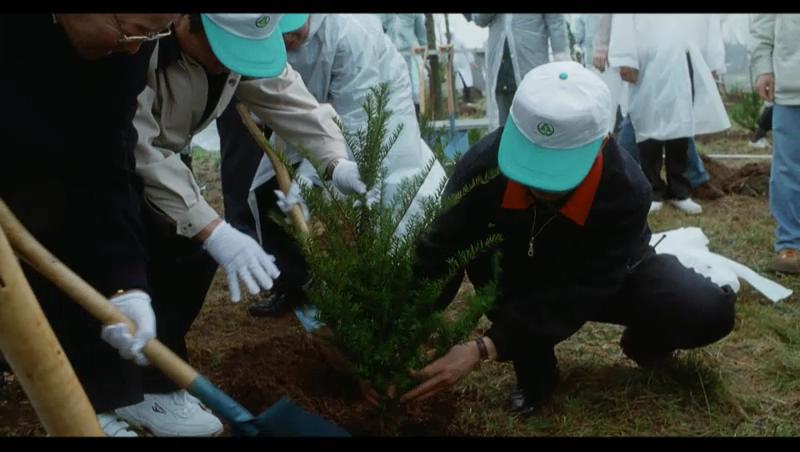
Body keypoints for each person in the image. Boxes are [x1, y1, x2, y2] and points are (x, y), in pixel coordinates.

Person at [401, 62, 736, 414]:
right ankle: (535, 369)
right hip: (516, 275)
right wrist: (404, 327)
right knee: (499, 277)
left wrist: (486, 346)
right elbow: (440, 253)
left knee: (706, 310)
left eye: (557, 168)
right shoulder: (482, 168)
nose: (539, 184)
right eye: (532, 163)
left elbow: (585, 287)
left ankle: (645, 339)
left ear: (601, 143)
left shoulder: (626, 188)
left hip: (604, 276)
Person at [110, 14, 370, 436]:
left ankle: (155, 382)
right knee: (122, 260)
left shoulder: (231, 50)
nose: (227, 64)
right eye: (221, 49)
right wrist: (212, 227)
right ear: (184, 23)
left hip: (166, 149)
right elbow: (136, 145)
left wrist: (334, 159)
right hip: (103, 154)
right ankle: (108, 392)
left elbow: (287, 96)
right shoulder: (137, 45)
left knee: (188, 256)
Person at [0, 13, 181, 437]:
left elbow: (104, 158)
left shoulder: (124, 49)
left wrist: (127, 283)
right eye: (130, 30)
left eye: (154, 34)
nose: (137, 47)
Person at [217, 13, 447, 316]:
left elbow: (354, 117)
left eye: (294, 32)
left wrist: (313, 174)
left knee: (380, 193)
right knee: (267, 190)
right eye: (280, 33)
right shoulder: (269, 31)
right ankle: (293, 285)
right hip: (305, 111)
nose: (288, 39)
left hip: (378, 109)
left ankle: (385, 292)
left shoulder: (351, 32)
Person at [609, 14, 730, 215]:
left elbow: (706, 20)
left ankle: (679, 191)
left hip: (683, 58)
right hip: (647, 61)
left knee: (681, 126)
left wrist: (712, 59)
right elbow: (623, 20)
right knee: (648, 125)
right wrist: (625, 59)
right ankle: (653, 189)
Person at [750, 14, 800, 274]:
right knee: (788, 169)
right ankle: (790, 243)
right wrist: (763, 67)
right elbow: (762, 23)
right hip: (792, 82)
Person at [473, 14, 570, 131]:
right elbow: (479, 19)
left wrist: (562, 60)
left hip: (531, 66)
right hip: (500, 69)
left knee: (534, 125)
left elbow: (556, 22)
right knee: (503, 130)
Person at [380, 14, 428, 116]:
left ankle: (418, 120)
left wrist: (424, 50)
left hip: (411, 53)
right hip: (391, 52)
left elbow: (421, 33)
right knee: (392, 91)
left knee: (414, 90)